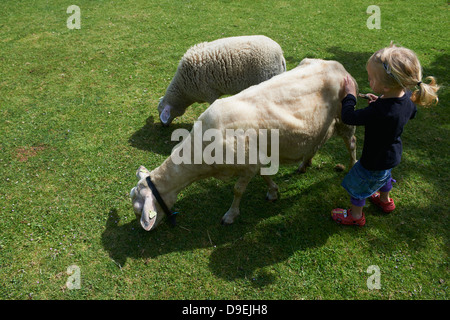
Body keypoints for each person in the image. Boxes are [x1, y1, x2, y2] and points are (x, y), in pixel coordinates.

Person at [331, 42, 439, 226]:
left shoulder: (379, 111)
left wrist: (350, 96)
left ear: (386, 87)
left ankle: (356, 217)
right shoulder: (406, 99)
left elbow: (349, 117)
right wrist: (380, 102)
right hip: (392, 155)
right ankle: (385, 201)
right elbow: (408, 113)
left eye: (371, 78)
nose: (369, 80)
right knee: (385, 176)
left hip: (373, 160)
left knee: (356, 185)